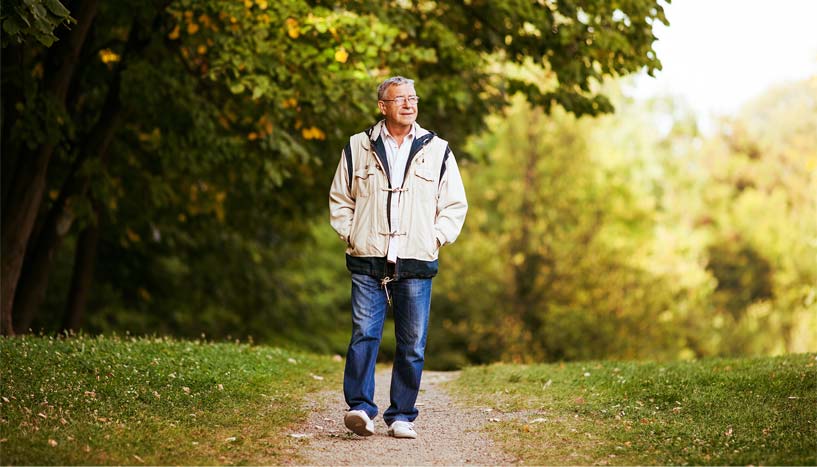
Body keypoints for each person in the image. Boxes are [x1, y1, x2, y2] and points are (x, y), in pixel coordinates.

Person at [328, 76, 468, 439]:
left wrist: (433, 239)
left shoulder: (437, 149)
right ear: (383, 106)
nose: (409, 104)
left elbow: (454, 205)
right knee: (363, 335)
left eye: (413, 98)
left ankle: (402, 414)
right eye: (400, 99)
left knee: (412, 343)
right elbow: (340, 200)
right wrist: (353, 234)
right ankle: (360, 408)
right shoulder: (358, 146)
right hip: (367, 258)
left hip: (416, 261)